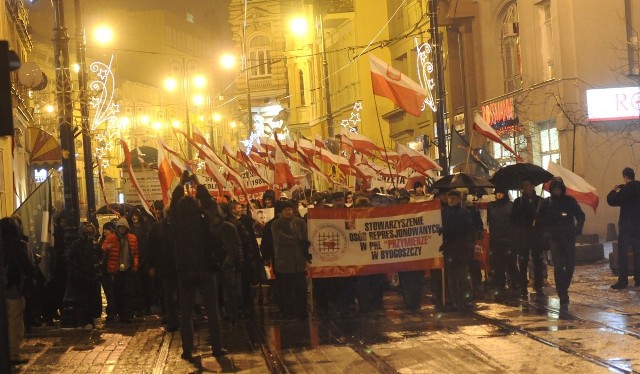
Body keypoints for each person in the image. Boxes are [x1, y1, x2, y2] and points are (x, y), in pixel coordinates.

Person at [170, 196, 226, 359]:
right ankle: (217, 347)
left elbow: (173, 206)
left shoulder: (176, 224)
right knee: (212, 310)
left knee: (186, 313)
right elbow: (211, 205)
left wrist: (181, 185)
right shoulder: (203, 221)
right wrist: (199, 188)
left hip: (185, 271)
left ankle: (187, 350)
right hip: (205, 270)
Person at [537, 177, 585, 307]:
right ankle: (562, 293)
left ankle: (563, 287)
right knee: (558, 266)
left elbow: (580, 215)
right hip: (554, 238)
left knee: (570, 265)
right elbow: (540, 220)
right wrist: (545, 233)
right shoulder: (547, 203)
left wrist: (578, 229)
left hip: (568, 237)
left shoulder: (569, 201)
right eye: (554, 189)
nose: (557, 191)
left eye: (558, 189)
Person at [2, 217, 39, 365]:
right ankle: (12, 354)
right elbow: (27, 267)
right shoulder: (17, 245)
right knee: (14, 321)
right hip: (12, 288)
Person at [271, 200, 309, 320]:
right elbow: (280, 238)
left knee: (300, 289)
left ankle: (301, 311)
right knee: (286, 290)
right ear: (281, 211)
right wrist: (297, 241)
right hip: (284, 262)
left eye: (289, 209)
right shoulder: (276, 224)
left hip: (299, 262)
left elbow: (306, 236)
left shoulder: (300, 222)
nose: (288, 212)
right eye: (285, 210)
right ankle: (287, 311)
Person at [440, 190, 476, 311]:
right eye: (449, 198)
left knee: (463, 275)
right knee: (451, 277)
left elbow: (467, 228)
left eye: (454, 198)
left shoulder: (464, 213)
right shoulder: (443, 213)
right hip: (450, 248)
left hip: (461, 248)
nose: (451, 201)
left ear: (459, 199)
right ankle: (456, 300)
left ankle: (466, 299)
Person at [511, 178, 545, 298]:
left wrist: (537, 217)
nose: (526, 187)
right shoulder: (518, 202)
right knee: (523, 260)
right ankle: (523, 286)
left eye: (528, 185)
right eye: (524, 185)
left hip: (536, 235)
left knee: (537, 261)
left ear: (533, 186)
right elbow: (513, 219)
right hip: (523, 235)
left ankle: (538, 285)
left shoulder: (540, 201)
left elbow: (544, 218)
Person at [607, 167, 640, 289]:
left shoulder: (624, 190)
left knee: (623, 255)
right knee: (638, 254)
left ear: (625, 176)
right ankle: (639, 279)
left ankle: (623, 281)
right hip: (638, 227)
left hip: (626, 227)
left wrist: (614, 190)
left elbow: (610, 201)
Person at [101, 218, 139, 323]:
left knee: (127, 293)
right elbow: (103, 249)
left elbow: (135, 253)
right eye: (120, 227)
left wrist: (135, 264)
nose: (122, 229)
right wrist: (106, 248)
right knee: (117, 292)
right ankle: (121, 313)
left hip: (127, 268)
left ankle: (126, 314)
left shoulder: (132, 238)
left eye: (124, 227)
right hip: (116, 270)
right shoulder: (111, 238)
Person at [66, 222, 102, 329]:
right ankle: (85, 320)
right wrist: (78, 266)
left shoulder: (95, 244)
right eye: (86, 231)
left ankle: (92, 318)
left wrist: (98, 264)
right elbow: (70, 258)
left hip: (93, 276)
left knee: (93, 298)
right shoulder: (77, 244)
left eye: (90, 231)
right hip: (81, 276)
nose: (88, 233)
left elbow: (101, 255)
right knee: (83, 299)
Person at [147, 207, 179, 331]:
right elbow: (152, 248)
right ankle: (170, 318)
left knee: (178, 294)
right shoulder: (157, 227)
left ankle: (177, 317)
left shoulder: (179, 225)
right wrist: (152, 265)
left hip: (178, 265)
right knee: (167, 294)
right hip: (164, 266)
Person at [487, 187, 518, 299]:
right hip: (496, 239)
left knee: (511, 263)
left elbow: (515, 222)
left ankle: (514, 283)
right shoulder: (491, 206)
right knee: (497, 264)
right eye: (497, 192)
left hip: (509, 239)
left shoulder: (511, 205)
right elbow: (490, 221)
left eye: (501, 192)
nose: (499, 194)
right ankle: (500, 284)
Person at [98, 221, 117, 321]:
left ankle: (113, 311)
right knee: (108, 291)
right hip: (104, 270)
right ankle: (111, 310)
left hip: (111, 269)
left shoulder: (113, 240)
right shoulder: (102, 240)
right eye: (104, 229)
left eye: (108, 229)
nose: (105, 231)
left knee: (111, 291)